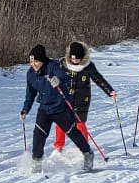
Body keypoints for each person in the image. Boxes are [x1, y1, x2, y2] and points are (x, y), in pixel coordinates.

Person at [20, 44, 93, 173]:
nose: (33, 64)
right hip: (44, 109)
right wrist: (25, 109)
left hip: (60, 107)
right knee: (38, 136)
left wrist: (58, 80)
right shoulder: (31, 74)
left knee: (73, 132)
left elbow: (65, 76)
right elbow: (30, 94)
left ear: (42, 60)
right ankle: (37, 160)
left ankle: (87, 154)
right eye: (31, 61)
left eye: (36, 61)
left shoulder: (52, 66)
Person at [53, 41, 116, 152]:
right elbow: (51, 72)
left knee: (79, 124)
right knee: (61, 123)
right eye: (72, 59)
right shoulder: (62, 64)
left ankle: (83, 148)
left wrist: (109, 90)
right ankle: (58, 147)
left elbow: (98, 79)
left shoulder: (88, 67)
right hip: (64, 98)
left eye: (77, 59)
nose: (75, 61)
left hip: (82, 99)